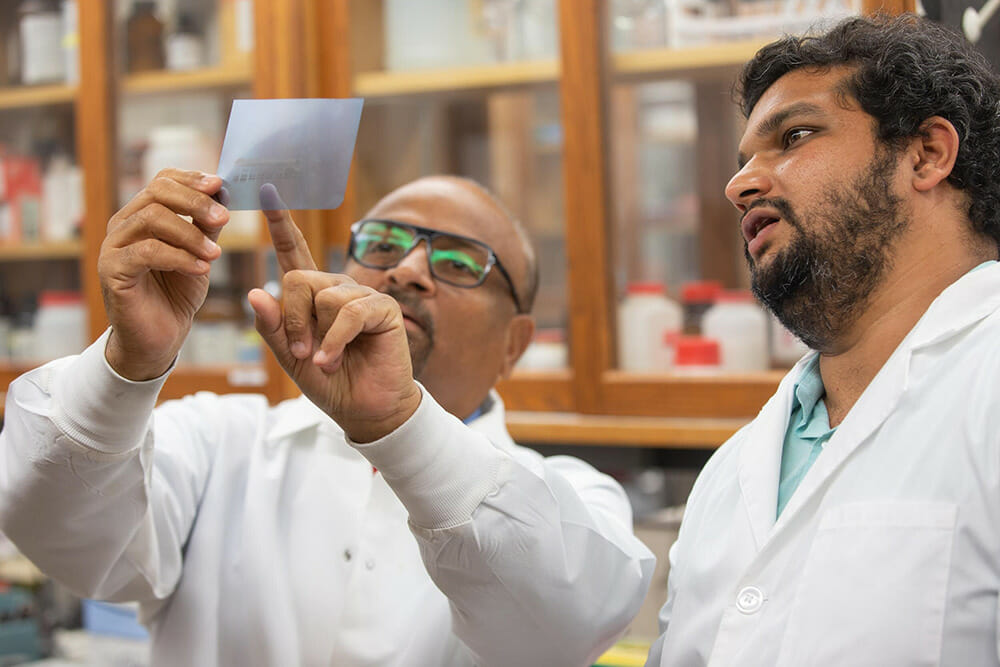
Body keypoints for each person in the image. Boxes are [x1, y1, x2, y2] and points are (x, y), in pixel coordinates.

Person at [0, 173, 655, 666]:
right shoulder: (219, 441)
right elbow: (60, 534)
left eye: (458, 262)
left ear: (514, 343)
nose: (407, 268)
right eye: (383, 244)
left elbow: (566, 623)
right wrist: (129, 362)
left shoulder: (574, 499)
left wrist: (400, 422)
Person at [647, 13, 1000, 666]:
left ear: (926, 153)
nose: (740, 183)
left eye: (795, 135)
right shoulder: (732, 471)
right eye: (744, 157)